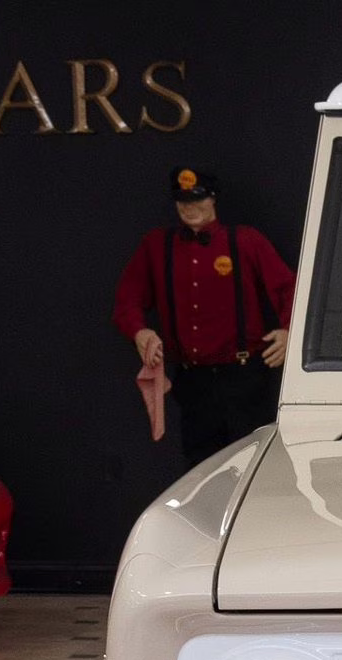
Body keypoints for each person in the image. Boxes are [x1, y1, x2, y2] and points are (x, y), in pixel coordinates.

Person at [112, 166, 296, 466]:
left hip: (244, 379)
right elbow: (127, 300)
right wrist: (138, 331)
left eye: (197, 199)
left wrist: (290, 331)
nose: (190, 208)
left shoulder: (245, 240)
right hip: (193, 382)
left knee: (254, 464)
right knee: (200, 468)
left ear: (212, 199)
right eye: (183, 201)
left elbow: (289, 288)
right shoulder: (157, 246)